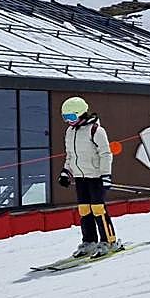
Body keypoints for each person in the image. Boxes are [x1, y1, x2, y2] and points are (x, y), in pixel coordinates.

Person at [57, 96, 122, 257]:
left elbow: (105, 154)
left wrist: (106, 175)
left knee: (98, 209)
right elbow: (70, 155)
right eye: (65, 118)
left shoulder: (96, 130)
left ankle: (109, 241)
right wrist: (66, 172)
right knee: (84, 209)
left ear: (81, 113)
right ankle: (89, 241)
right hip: (80, 177)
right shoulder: (70, 132)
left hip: (96, 177)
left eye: (71, 117)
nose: (68, 121)